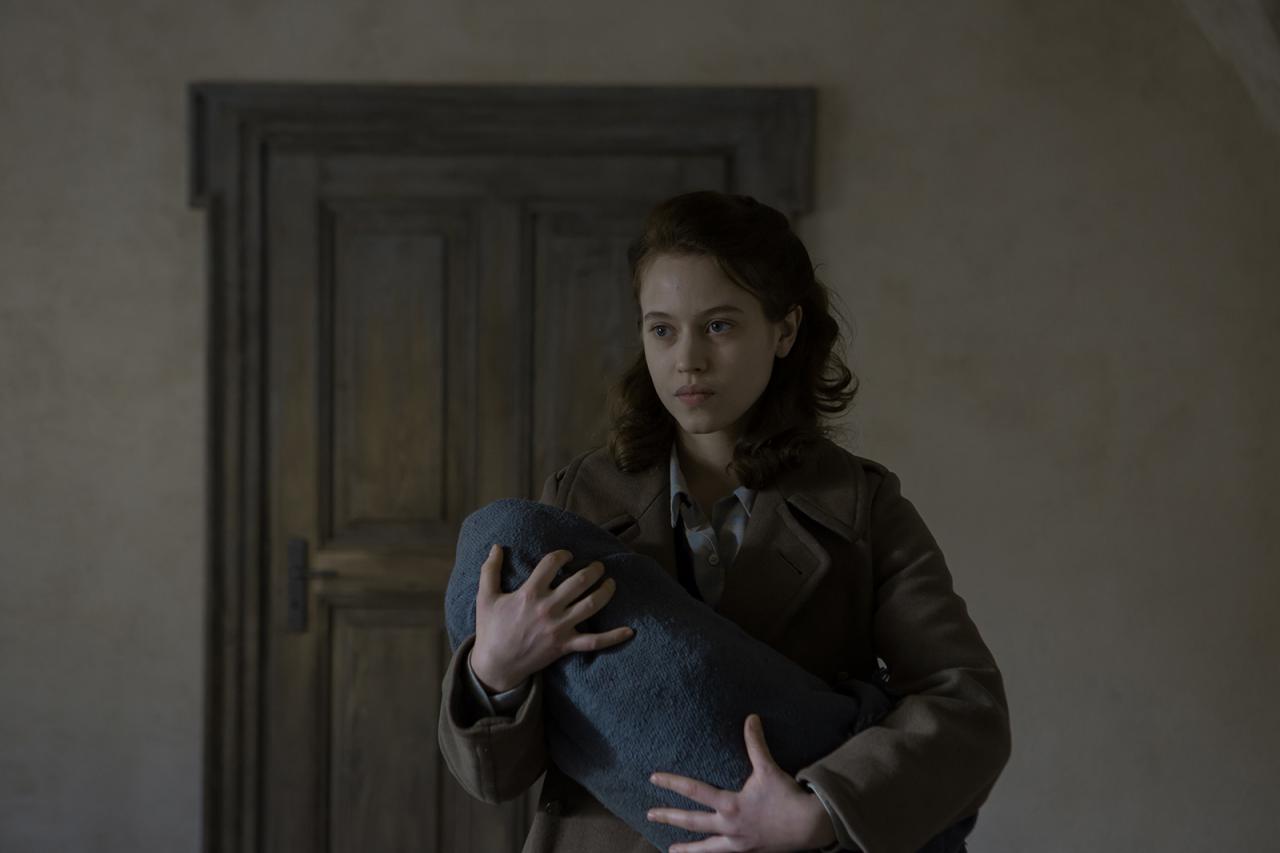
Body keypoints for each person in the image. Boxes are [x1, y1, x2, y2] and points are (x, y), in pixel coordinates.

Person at [437, 190, 1012, 852]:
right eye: (662, 329)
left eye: (718, 326)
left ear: (785, 331)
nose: (688, 359)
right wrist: (495, 673)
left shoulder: (862, 506)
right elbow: (497, 779)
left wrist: (818, 812)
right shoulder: (577, 498)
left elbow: (967, 709)